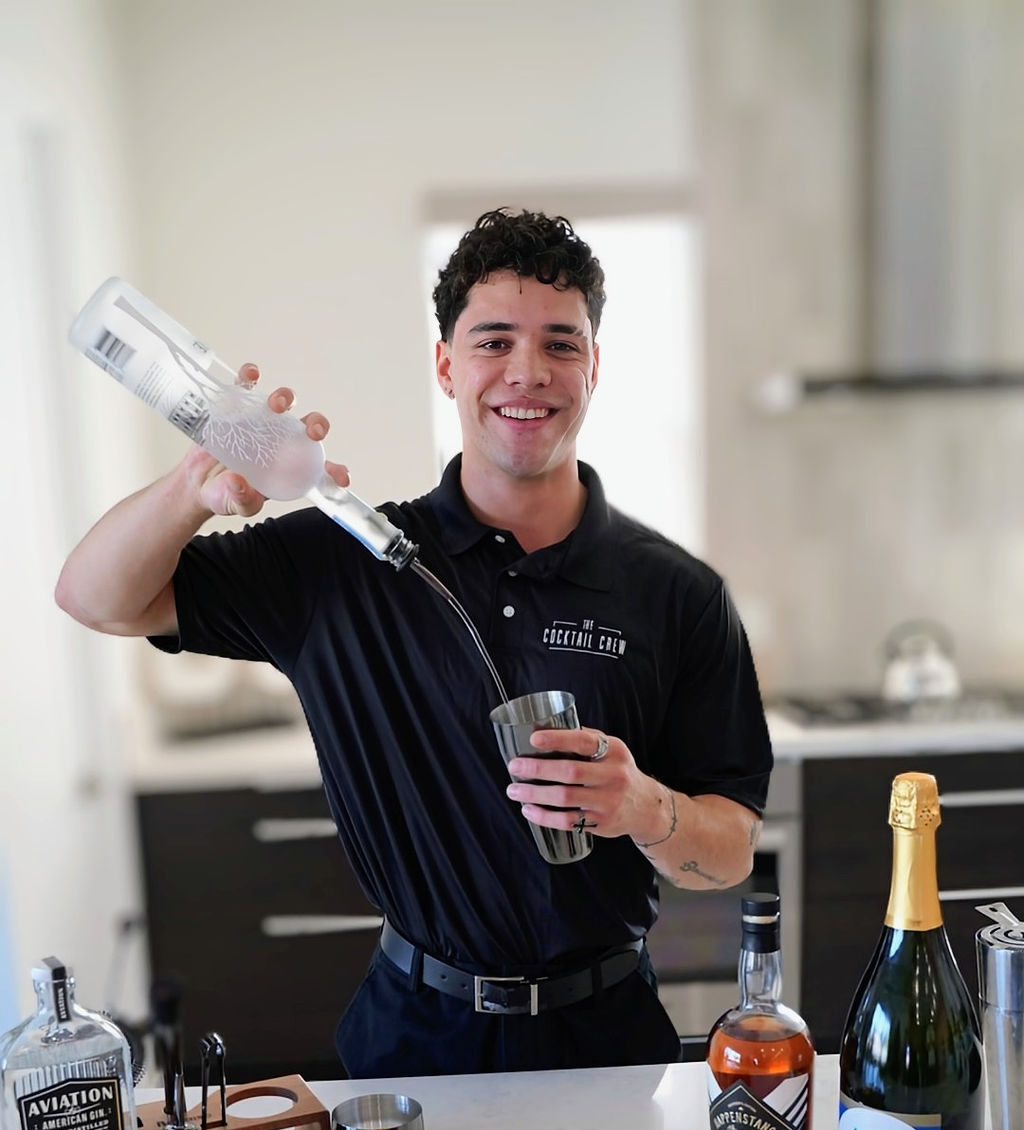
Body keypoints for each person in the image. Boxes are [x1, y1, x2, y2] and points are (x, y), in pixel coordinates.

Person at [56, 208, 773, 1077]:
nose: (527, 372)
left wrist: (643, 808)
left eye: (560, 344)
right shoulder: (339, 564)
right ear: (445, 364)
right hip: (414, 1044)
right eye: (493, 340)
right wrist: (190, 490)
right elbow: (94, 598)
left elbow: (729, 850)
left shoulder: (677, 593)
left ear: (594, 367)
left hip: (609, 1042)